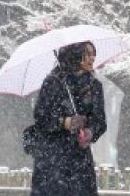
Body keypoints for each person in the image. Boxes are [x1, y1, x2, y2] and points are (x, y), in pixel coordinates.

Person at [30, 41, 107, 196]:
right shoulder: (53, 82)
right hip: (52, 160)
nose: (93, 58)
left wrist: (90, 132)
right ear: (75, 55)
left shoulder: (94, 86)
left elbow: (100, 120)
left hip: (80, 162)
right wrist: (65, 122)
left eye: (94, 53)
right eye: (88, 54)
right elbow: (41, 117)